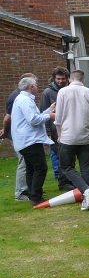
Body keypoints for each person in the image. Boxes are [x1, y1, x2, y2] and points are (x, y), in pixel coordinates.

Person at [54, 70, 89, 211]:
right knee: (85, 168)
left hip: (68, 137)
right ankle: (87, 197)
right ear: (83, 80)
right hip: (86, 137)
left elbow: (58, 117)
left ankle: (86, 192)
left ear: (70, 79)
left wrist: (59, 135)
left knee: (66, 167)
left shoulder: (62, 92)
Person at [11, 76, 56, 207]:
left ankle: (33, 194)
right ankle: (36, 197)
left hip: (25, 140)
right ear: (31, 87)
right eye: (36, 85)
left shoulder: (22, 99)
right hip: (30, 140)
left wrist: (48, 110)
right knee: (40, 168)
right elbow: (33, 120)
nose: (37, 87)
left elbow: (34, 117)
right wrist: (50, 116)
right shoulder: (25, 100)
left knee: (31, 168)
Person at [3, 73, 38, 201]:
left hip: (19, 134)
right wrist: (5, 131)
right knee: (23, 163)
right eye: (34, 83)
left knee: (28, 163)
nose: (36, 85)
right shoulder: (17, 97)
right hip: (18, 136)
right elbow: (8, 118)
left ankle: (30, 189)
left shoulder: (21, 96)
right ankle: (20, 192)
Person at [38, 67, 74, 190]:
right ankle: (63, 182)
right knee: (62, 157)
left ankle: (69, 180)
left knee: (69, 156)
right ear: (53, 78)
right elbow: (43, 114)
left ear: (67, 79)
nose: (60, 81)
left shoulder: (69, 90)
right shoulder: (47, 93)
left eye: (63, 79)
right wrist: (48, 133)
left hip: (69, 128)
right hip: (54, 131)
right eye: (58, 79)